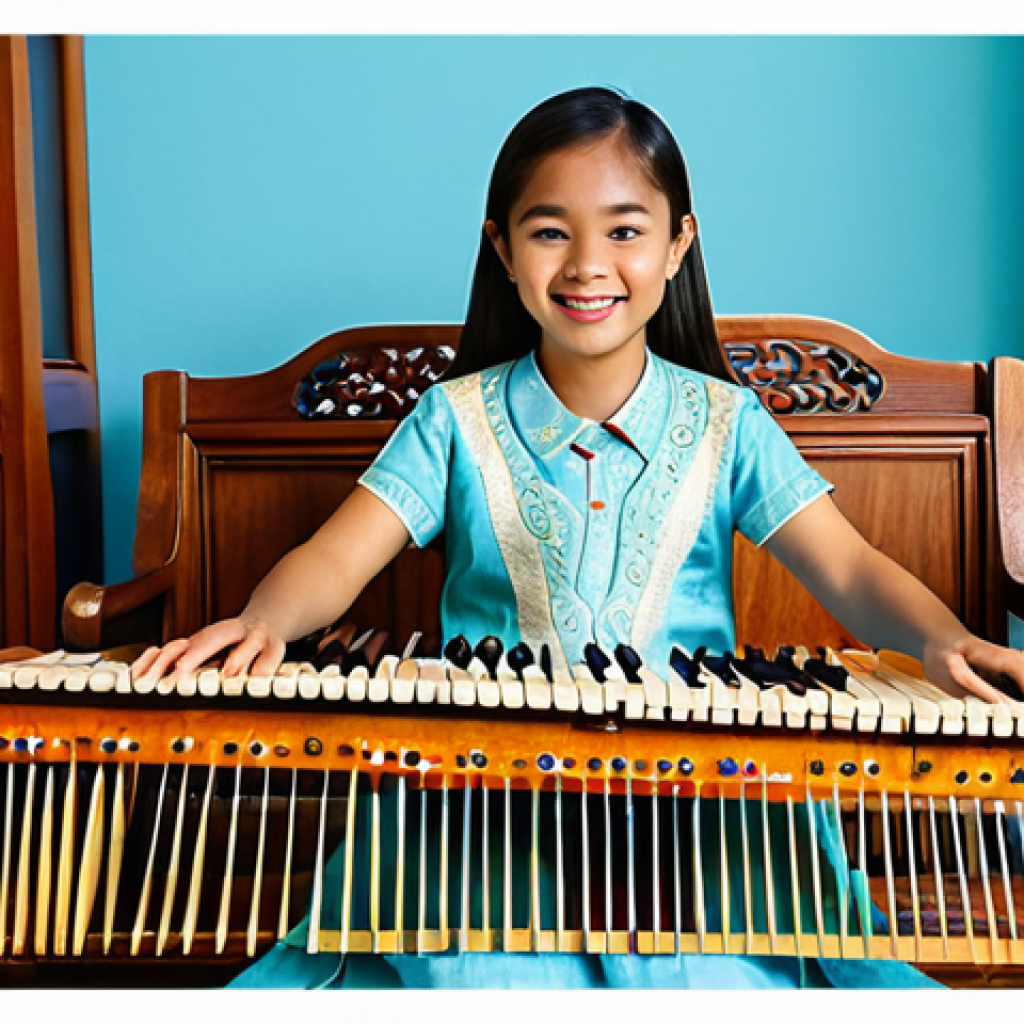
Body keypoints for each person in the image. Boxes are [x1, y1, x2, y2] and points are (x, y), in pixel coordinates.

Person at [134, 86, 1023, 989]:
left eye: (625, 230)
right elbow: (337, 556)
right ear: (503, 250)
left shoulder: (728, 423)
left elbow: (850, 569)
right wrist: (265, 622)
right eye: (551, 232)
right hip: (482, 806)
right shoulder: (454, 419)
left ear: (678, 244)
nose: (588, 265)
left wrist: (942, 639)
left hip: (705, 811)